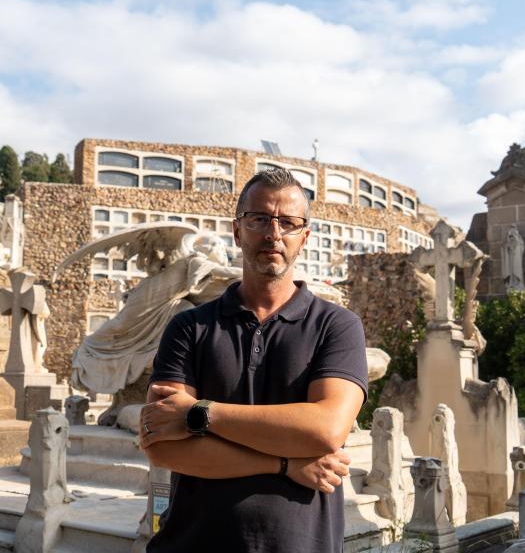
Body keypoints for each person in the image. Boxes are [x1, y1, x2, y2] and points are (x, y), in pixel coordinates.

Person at [139, 166, 368, 552]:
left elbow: (326, 429)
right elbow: (162, 444)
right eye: (259, 218)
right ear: (237, 229)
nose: (273, 233)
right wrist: (287, 464)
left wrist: (198, 413)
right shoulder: (189, 327)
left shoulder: (337, 326)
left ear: (305, 237)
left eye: (288, 222)